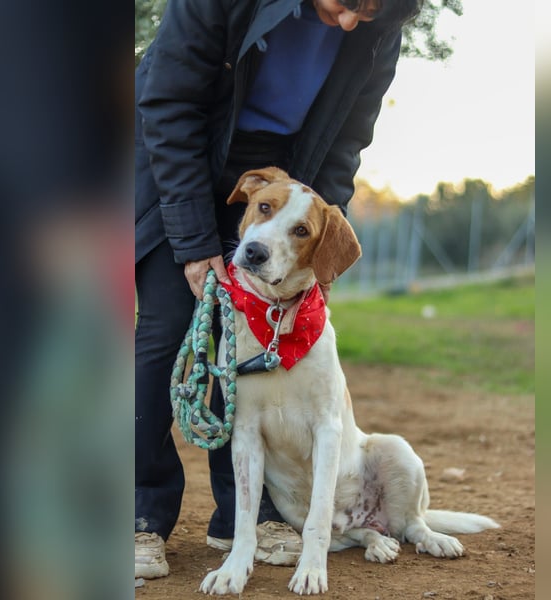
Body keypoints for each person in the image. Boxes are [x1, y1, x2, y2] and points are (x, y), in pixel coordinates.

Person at [135, 0, 422, 579]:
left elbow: (345, 142)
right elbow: (168, 106)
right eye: (348, 4)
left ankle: (244, 518)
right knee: (168, 332)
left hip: (283, 182)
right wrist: (194, 243)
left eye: (367, 13)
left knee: (254, 355)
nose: (349, 22)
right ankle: (139, 517)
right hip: (179, 162)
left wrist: (319, 259)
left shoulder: (377, 26)